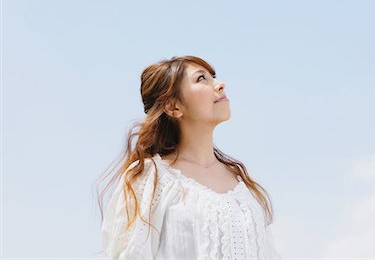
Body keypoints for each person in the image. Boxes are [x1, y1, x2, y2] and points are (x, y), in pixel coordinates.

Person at [97, 55, 281, 259]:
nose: (220, 84)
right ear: (173, 107)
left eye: (213, 77)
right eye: (201, 79)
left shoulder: (243, 186)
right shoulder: (151, 180)